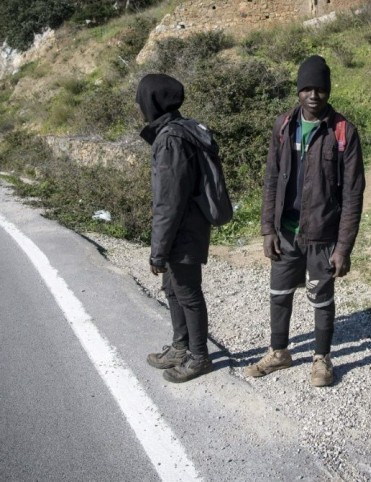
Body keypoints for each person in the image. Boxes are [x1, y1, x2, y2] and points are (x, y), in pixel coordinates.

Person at [245, 55, 365, 387]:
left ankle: (321, 358)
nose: (314, 95)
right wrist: (268, 228)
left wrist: (343, 247)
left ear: (328, 91)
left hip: (323, 235)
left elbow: (353, 194)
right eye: (307, 88)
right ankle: (279, 352)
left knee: (322, 298)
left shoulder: (343, 132)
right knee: (279, 293)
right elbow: (271, 179)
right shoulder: (284, 126)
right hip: (286, 231)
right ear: (299, 90)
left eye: (320, 89)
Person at [136, 73, 214, 383]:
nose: (139, 108)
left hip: (184, 230)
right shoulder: (178, 131)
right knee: (173, 289)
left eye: (141, 102)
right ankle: (181, 347)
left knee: (188, 292)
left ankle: (199, 357)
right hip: (183, 227)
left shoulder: (170, 140)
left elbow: (168, 202)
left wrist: (158, 251)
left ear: (153, 102)